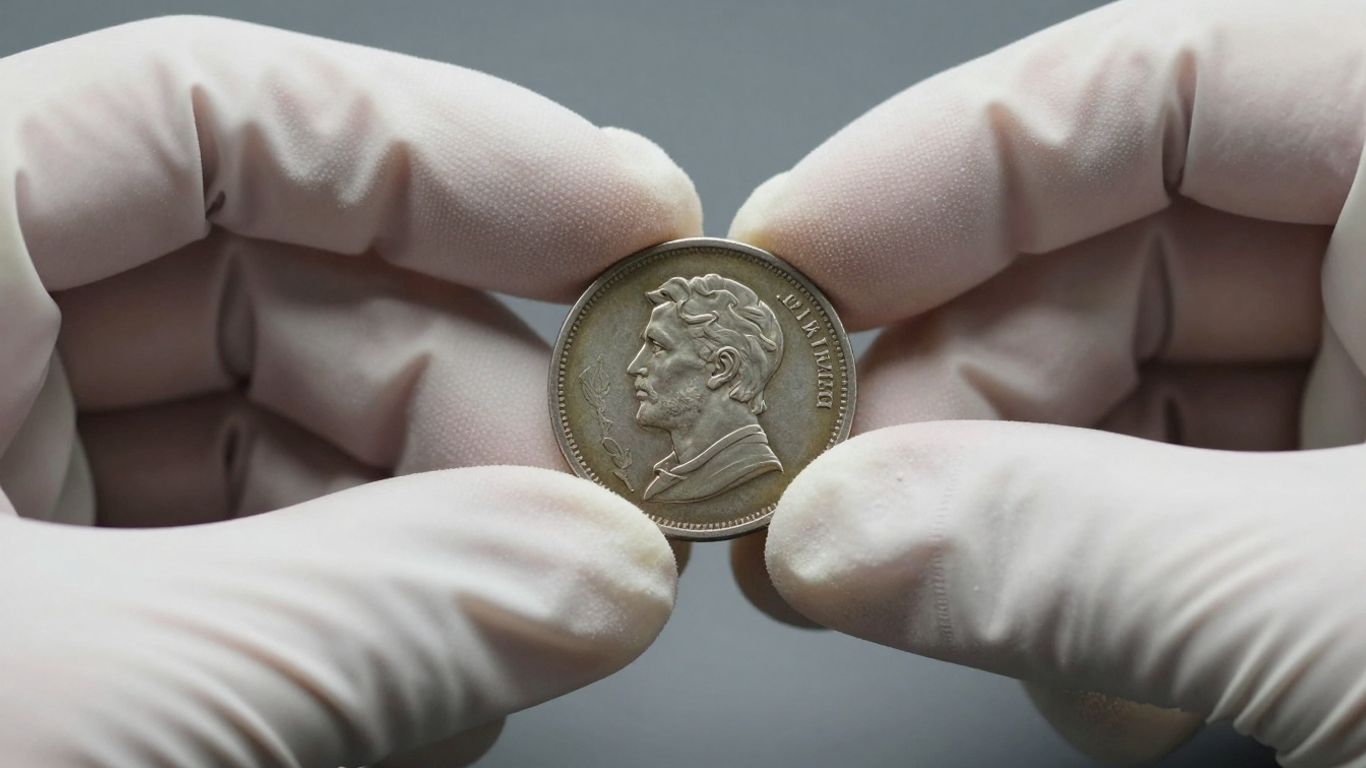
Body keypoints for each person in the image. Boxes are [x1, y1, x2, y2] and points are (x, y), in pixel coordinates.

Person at [1, 3, 1363, 768]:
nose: (631, 356)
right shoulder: (655, 465)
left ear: (720, 372)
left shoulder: (697, 459)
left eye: (657, 348)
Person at [627, 274, 785, 504]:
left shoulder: (749, 471)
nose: (634, 367)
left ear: (722, 368)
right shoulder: (674, 471)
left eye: (658, 347)